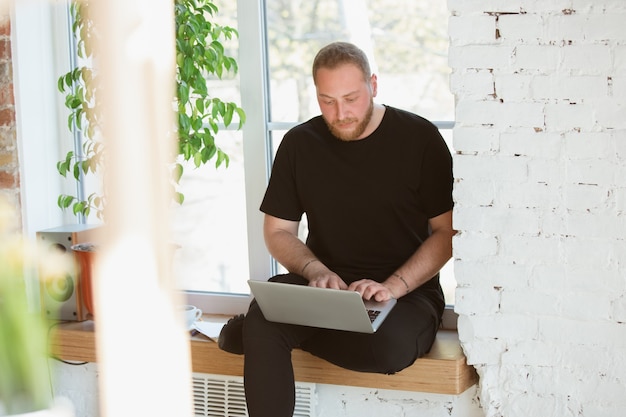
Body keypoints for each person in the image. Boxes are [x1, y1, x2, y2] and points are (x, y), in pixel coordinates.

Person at [218, 41, 455, 417]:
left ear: (373, 85)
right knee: (268, 317)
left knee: (389, 350)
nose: (340, 113)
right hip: (323, 291)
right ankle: (264, 331)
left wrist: (391, 286)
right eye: (327, 100)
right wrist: (316, 271)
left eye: (351, 98)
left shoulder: (420, 139)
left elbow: (447, 234)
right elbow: (277, 231)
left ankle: (260, 335)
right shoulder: (299, 144)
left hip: (405, 294)